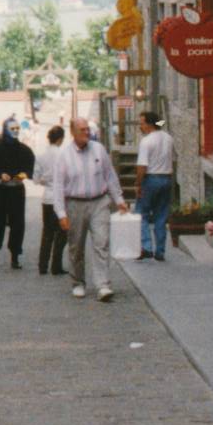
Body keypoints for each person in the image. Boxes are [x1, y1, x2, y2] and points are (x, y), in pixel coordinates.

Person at [53, 117, 126, 302]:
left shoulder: (98, 149)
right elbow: (58, 187)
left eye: (88, 129)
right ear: (73, 132)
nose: (87, 132)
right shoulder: (64, 155)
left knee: (101, 242)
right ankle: (78, 282)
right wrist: (61, 213)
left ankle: (103, 285)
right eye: (82, 130)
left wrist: (119, 199)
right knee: (76, 246)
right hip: (75, 204)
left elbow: (110, 176)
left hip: (99, 202)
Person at [0, 124, 35, 270]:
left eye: (18, 129)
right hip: (0, 189)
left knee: (17, 224)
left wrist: (23, 174)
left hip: (16, 189)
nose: (16, 131)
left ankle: (15, 257)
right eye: (13, 129)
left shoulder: (24, 149)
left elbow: (30, 168)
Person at [134, 111, 175, 262]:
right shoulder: (168, 138)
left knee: (141, 213)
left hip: (151, 178)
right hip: (166, 178)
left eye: (142, 123)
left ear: (150, 124)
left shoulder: (146, 141)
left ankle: (146, 246)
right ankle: (160, 250)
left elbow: (142, 166)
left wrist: (138, 183)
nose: (140, 126)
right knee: (161, 215)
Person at [33, 125, 68, 276]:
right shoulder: (64, 154)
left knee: (47, 232)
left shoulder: (40, 155)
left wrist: (46, 180)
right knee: (62, 233)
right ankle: (56, 265)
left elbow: (35, 179)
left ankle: (42, 265)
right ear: (61, 138)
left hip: (47, 197)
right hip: (61, 198)